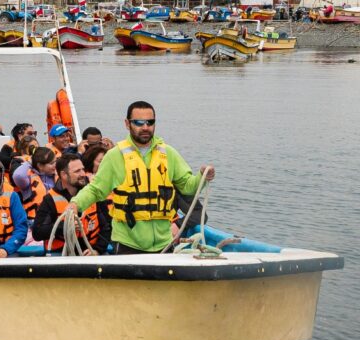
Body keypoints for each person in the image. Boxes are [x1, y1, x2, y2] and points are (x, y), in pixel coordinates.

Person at [65, 101, 215, 255]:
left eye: (150, 122)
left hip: (164, 243)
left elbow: (187, 186)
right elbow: (96, 190)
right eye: (138, 122)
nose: (145, 127)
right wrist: (75, 205)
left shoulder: (169, 153)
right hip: (127, 244)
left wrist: (201, 178)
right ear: (127, 124)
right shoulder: (115, 156)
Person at [32, 153, 111, 255]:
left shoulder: (93, 194)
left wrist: (98, 250)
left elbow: (107, 226)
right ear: (64, 175)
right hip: (61, 253)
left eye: (83, 169)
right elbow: (38, 232)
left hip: (91, 250)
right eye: (77, 171)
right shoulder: (50, 199)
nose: (83, 174)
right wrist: (64, 226)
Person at [12, 147, 57, 221]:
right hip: (35, 221)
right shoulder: (28, 179)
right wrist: (30, 162)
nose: (55, 165)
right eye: (52, 163)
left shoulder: (57, 175)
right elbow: (17, 175)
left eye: (55, 161)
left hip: (55, 218)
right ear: (40, 166)